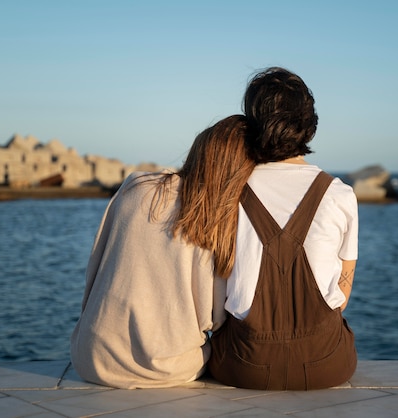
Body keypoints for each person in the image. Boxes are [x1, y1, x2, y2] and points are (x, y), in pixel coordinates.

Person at [70, 115, 255, 389]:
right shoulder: (216, 221)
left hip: (90, 358)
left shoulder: (135, 185)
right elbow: (215, 319)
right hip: (166, 367)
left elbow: (95, 267)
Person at [208, 67, 359, 390]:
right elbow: (342, 297)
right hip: (328, 364)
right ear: (310, 126)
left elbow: (216, 301)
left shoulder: (229, 192)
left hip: (243, 366)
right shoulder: (339, 194)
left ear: (251, 125)